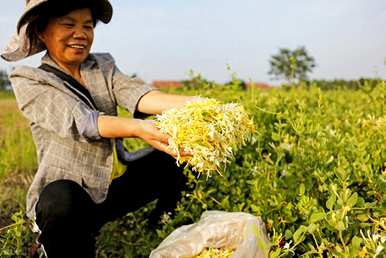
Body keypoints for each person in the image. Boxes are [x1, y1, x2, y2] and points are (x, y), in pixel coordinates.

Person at [1, 0, 198, 257]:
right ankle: (58, 243)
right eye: (68, 24)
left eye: (87, 26)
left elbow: (138, 95)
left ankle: (161, 227)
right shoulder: (30, 80)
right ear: (41, 31)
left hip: (110, 190)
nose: (80, 34)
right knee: (59, 198)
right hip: (73, 198)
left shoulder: (102, 66)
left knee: (181, 155)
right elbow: (82, 121)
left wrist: (197, 104)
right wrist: (140, 128)